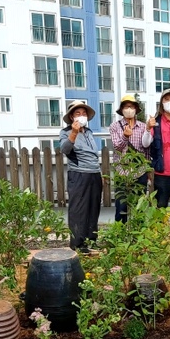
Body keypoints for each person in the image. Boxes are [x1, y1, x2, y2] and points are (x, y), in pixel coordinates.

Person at [60, 100, 102, 253]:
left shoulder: (89, 132)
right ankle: (77, 244)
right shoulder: (65, 132)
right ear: (72, 117)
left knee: (93, 207)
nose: (82, 116)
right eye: (78, 113)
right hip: (78, 174)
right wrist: (73, 133)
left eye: (84, 113)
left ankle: (91, 240)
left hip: (94, 173)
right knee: (78, 209)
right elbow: (64, 149)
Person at [109, 94, 149, 223]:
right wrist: (125, 136)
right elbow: (117, 147)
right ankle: (120, 235)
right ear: (122, 110)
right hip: (122, 170)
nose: (129, 109)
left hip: (140, 171)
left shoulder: (143, 127)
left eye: (131, 106)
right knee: (121, 206)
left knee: (140, 206)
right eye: (126, 106)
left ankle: (139, 235)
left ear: (136, 109)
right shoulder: (115, 126)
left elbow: (146, 149)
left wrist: (148, 170)